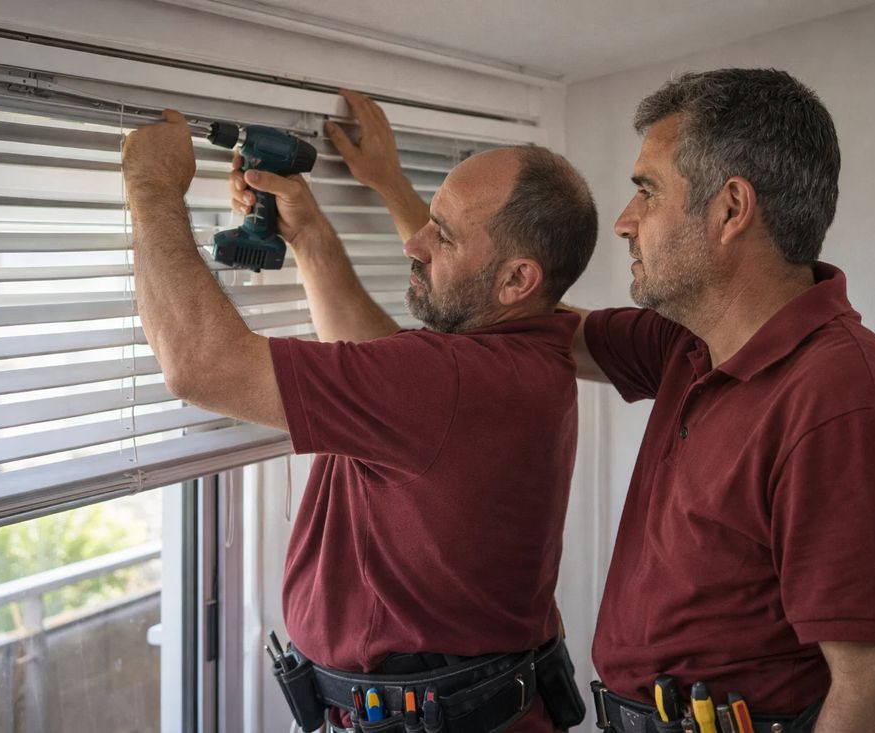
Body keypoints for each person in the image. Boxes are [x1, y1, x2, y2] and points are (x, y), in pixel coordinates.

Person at [331, 71, 875, 733]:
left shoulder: (843, 400)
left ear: (731, 209)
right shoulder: (688, 344)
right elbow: (504, 297)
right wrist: (408, 203)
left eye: (647, 191)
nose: (624, 221)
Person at [122, 105, 598, 731]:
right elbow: (380, 368)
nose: (413, 244)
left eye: (443, 236)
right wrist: (309, 236)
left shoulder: (449, 381)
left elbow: (200, 364)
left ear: (516, 279)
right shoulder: (531, 356)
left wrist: (151, 188)